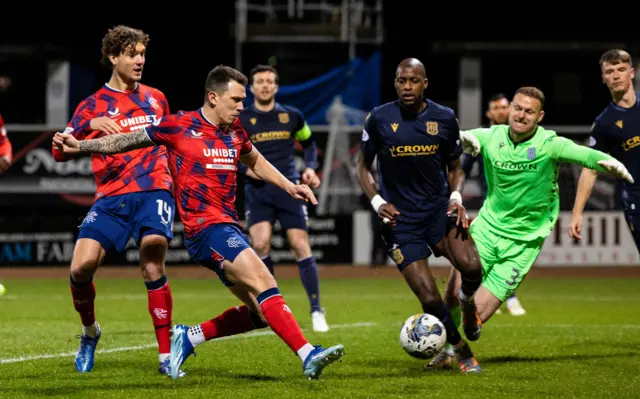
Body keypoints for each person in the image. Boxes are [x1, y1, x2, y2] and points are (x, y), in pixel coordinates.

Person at [53, 65, 345, 381]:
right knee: (265, 279)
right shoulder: (179, 125)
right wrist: (81, 145)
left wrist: (290, 185)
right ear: (213, 97)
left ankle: (189, 337)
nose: (241, 107)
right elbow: (125, 141)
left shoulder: (235, 132)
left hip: (228, 226)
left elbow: (256, 162)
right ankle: (307, 354)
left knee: (260, 314)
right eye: (236, 100)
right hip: (205, 230)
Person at [430, 86, 633, 369]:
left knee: (477, 318)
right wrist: (458, 139)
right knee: (451, 294)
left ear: (539, 116)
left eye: (529, 111)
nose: (521, 115)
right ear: (510, 108)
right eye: (518, 108)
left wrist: (611, 162)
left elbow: (585, 155)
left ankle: (466, 314)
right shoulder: (492, 136)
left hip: (524, 243)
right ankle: (448, 351)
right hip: (487, 229)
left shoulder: (549, 143)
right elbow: (459, 138)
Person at [51, 25, 180, 377]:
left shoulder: (157, 98)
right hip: (111, 196)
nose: (140, 60)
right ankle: (90, 332)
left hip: (154, 187)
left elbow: (169, 142)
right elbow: (59, 151)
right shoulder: (91, 105)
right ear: (113, 57)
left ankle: (166, 356)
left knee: (153, 260)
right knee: (80, 269)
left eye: (142, 54)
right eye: (132, 54)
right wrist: (89, 125)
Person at [355, 57, 483, 374]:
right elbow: (362, 167)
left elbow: (455, 168)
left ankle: (467, 304)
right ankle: (460, 350)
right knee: (428, 295)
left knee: (473, 268)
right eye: (401, 81)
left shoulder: (444, 118)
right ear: (395, 83)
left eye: (413, 81)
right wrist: (376, 202)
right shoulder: (379, 119)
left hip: (439, 211)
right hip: (400, 222)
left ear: (425, 84)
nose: (407, 86)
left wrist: (455, 197)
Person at [238, 65, 328, 332]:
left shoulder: (292, 116)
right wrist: (246, 170)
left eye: (269, 81)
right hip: (257, 192)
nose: (265, 85)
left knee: (300, 245)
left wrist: (310, 168)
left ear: (276, 87)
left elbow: (310, 143)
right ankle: (273, 308)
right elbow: (230, 152)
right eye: (260, 82)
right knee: (261, 243)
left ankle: (316, 309)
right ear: (251, 88)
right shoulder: (241, 118)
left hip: (289, 188)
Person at [460, 93, 527, 316]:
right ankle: (497, 295)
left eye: (504, 107)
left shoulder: (522, 137)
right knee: (485, 251)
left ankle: (507, 296)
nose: (501, 111)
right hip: (489, 204)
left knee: (512, 252)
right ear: (489, 113)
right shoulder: (481, 138)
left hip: (517, 207)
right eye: (496, 108)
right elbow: (464, 168)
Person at [570, 49, 640, 251]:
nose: (616, 75)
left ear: (632, 73)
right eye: (610, 71)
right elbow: (591, 168)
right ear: (603, 78)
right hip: (636, 201)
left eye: (621, 69)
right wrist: (576, 213)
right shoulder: (604, 124)